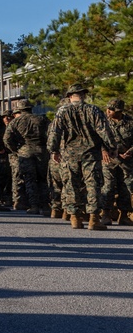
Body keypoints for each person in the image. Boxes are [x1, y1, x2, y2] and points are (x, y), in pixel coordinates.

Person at [47, 84, 118, 230]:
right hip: (91, 153)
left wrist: (53, 150)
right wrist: (111, 147)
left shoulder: (62, 111)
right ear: (83, 95)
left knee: (71, 185)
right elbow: (104, 130)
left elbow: (55, 132)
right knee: (93, 185)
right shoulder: (93, 110)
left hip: (69, 154)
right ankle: (93, 219)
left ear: (69, 96)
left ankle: (75, 218)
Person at [3, 99, 50, 216]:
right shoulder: (42, 119)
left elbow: (6, 138)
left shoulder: (15, 122)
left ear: (20, 109)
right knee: (43, 179)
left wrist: (15, 150)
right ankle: (45, 205)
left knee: (29, 179)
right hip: (41, 151)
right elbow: (51, 133)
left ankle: (33, 206)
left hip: (25, 152)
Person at [103, 98, 133, 225]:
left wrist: (131, 151)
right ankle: (105, 214)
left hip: (127, 160)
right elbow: (96, 138)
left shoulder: (130, 122)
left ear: (119, 111)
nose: (108, 112)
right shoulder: (103, 122)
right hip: (109, 159)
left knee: (126, 187)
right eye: (108, 109)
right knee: (108, 186)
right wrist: (103, 151)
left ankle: (124, 215)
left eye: (111, 110)